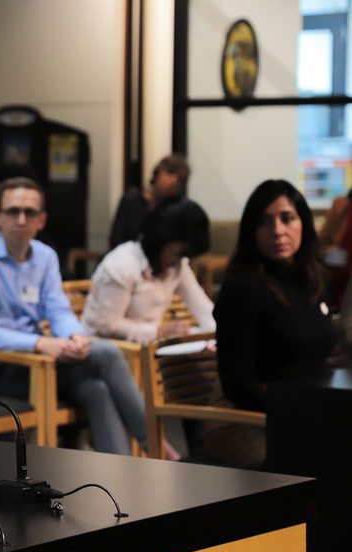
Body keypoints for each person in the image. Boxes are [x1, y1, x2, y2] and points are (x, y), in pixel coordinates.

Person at [0, 177, 159, 457]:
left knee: (96, 389)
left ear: (42, 220)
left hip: (42, 362)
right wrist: (40, 344)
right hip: (0, 364)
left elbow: (58, 310)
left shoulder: (45, 256)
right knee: (108, 354)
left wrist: (75, 336)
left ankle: (121, 474)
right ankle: (157, 447)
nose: (21, 220)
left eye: (30, 213)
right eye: (13, 211)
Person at [208, 179, 336, 469]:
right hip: (243, 423)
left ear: (303, 222)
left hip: (298, 414)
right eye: (265, 222)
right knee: (331, 461)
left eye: (287, 219)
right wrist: (301, 408)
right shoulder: (242, 288)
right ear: (251, 232)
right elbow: (238, 386)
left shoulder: (312, 279)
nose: (278, 231)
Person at [82, 197, 215, 344]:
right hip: (110, 350)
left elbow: (203, 309)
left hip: (149, 348)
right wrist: (158, 332)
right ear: (161, 238)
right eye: (180, 252)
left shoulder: (177, 264)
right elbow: (106, 326)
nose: (181, 259)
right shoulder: (123, 265)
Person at [108, 154, 191, 250]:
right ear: (157, 173)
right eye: (170, 173)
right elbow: (116, 239)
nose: (173, 181)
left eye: (180, 179)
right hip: (125, 259)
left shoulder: (178, 209)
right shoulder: (131, 200)